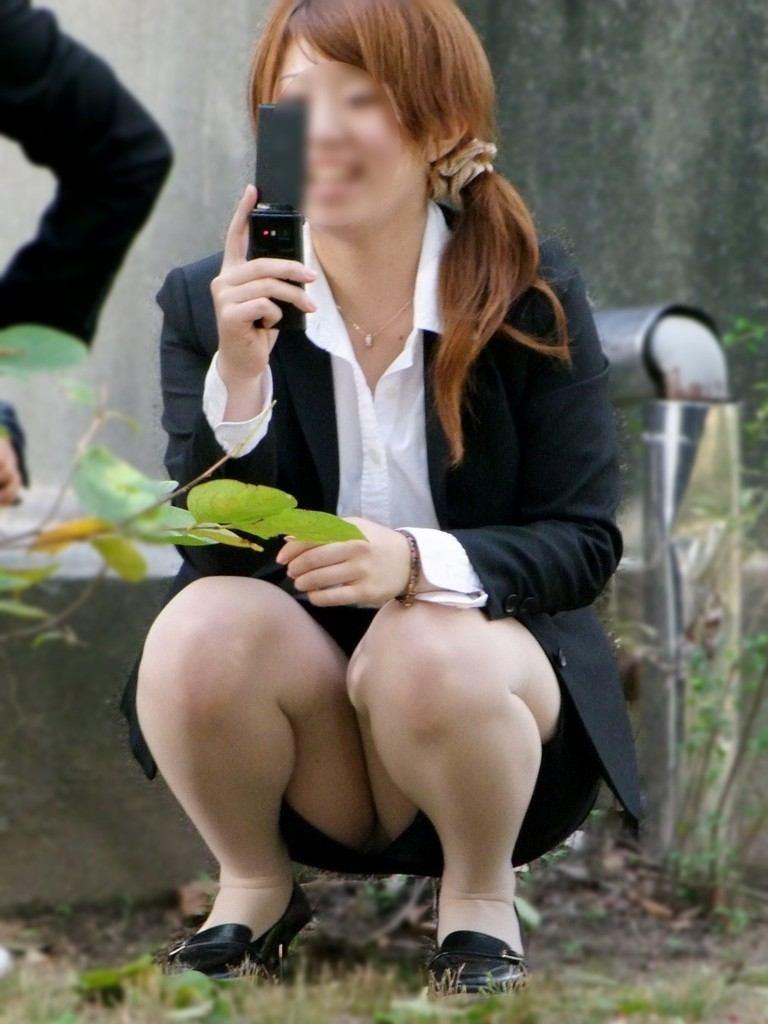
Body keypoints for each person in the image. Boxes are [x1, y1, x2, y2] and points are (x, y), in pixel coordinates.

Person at [119, 0, 645, 994]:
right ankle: (253, 888)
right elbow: (213, 552)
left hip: (480, 715)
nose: (322, 130)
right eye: (296, 102)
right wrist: (241, 377)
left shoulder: (526, 290)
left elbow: (581, 543)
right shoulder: (211, 299)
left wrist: (411, 562)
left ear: (443, 125)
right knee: (200, 622)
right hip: (303, 734)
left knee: (423, 634)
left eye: (359, 99)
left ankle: (479, 906)